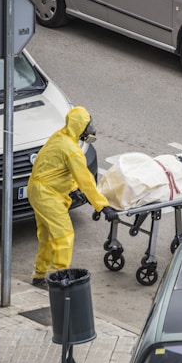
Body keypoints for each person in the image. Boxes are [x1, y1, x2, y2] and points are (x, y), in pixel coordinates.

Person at [28, 106, 117, 288]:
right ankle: (62, 278)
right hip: (48, 194)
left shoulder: (61, 136)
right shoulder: (72, 150)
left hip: (38, 189)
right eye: (87, 125)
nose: (90, 129)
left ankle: (39, 275)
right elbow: (86, 180)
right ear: (79, 127)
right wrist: (102, 206)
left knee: (46, 235)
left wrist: (73, 188)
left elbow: (58, 169)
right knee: (64, 235)